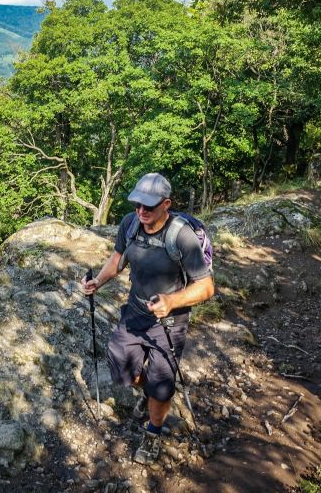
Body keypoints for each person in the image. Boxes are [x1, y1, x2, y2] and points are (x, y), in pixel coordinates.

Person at [82, 172, 215, 465]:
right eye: (137, 205)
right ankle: (153, 394)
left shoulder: (181, 236)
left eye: (149, 207)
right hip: (135, 313)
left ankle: (153, 432)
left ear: (166, 204)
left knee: (160, 384)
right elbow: (118, 259)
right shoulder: (130, 225)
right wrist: (97, 283)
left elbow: (206, 286)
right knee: (119, 366)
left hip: (169, 323)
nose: (141, 211)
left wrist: (172, 301)